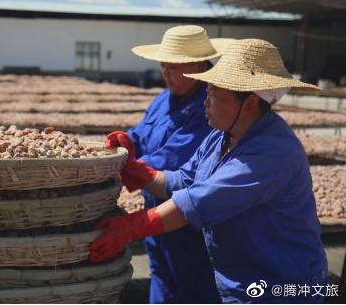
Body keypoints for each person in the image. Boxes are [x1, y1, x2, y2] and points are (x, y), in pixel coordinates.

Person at [91, 38, 328, 303]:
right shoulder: (222, 135)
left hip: (278, 282)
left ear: (248, 103)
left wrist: (131, 226)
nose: (205, 100)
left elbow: (197, 202)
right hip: (242, 274)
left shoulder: (272, 152)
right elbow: (184, 180)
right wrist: (138, 171)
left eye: (214, 92)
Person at [106, 25, 233, 303]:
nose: (166, 74)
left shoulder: (210, 107)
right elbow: (142, 135)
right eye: (164, 66)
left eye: (174, 68)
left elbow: (172, 159)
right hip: (154, 209)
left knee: (194, 287)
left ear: (198, 65)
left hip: (186, 222)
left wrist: (123, 166)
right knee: (162, 281)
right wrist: (126, 141)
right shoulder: (163, 99)